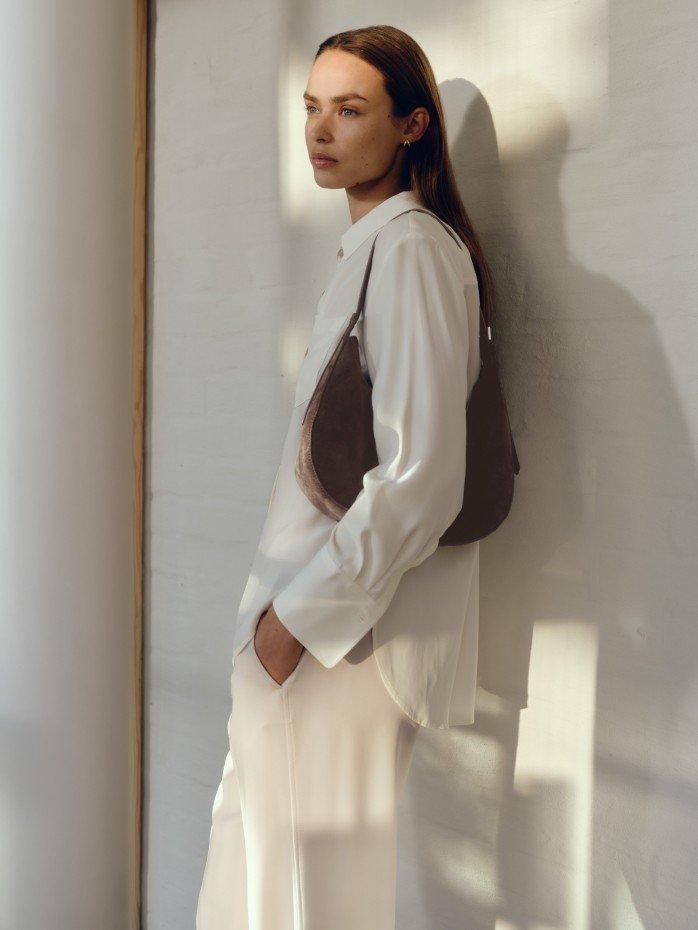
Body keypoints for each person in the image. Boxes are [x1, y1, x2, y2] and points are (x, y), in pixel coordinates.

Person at [196, 24, 493, 930]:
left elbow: (423, 474)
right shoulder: (377, 247)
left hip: (338, 644)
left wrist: (294, 625)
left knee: (304, 904)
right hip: (313, 637)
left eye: (351, 110)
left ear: (411, 127)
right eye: (313, 109)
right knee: (266, 888)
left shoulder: (408, 250)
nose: (321, 130)